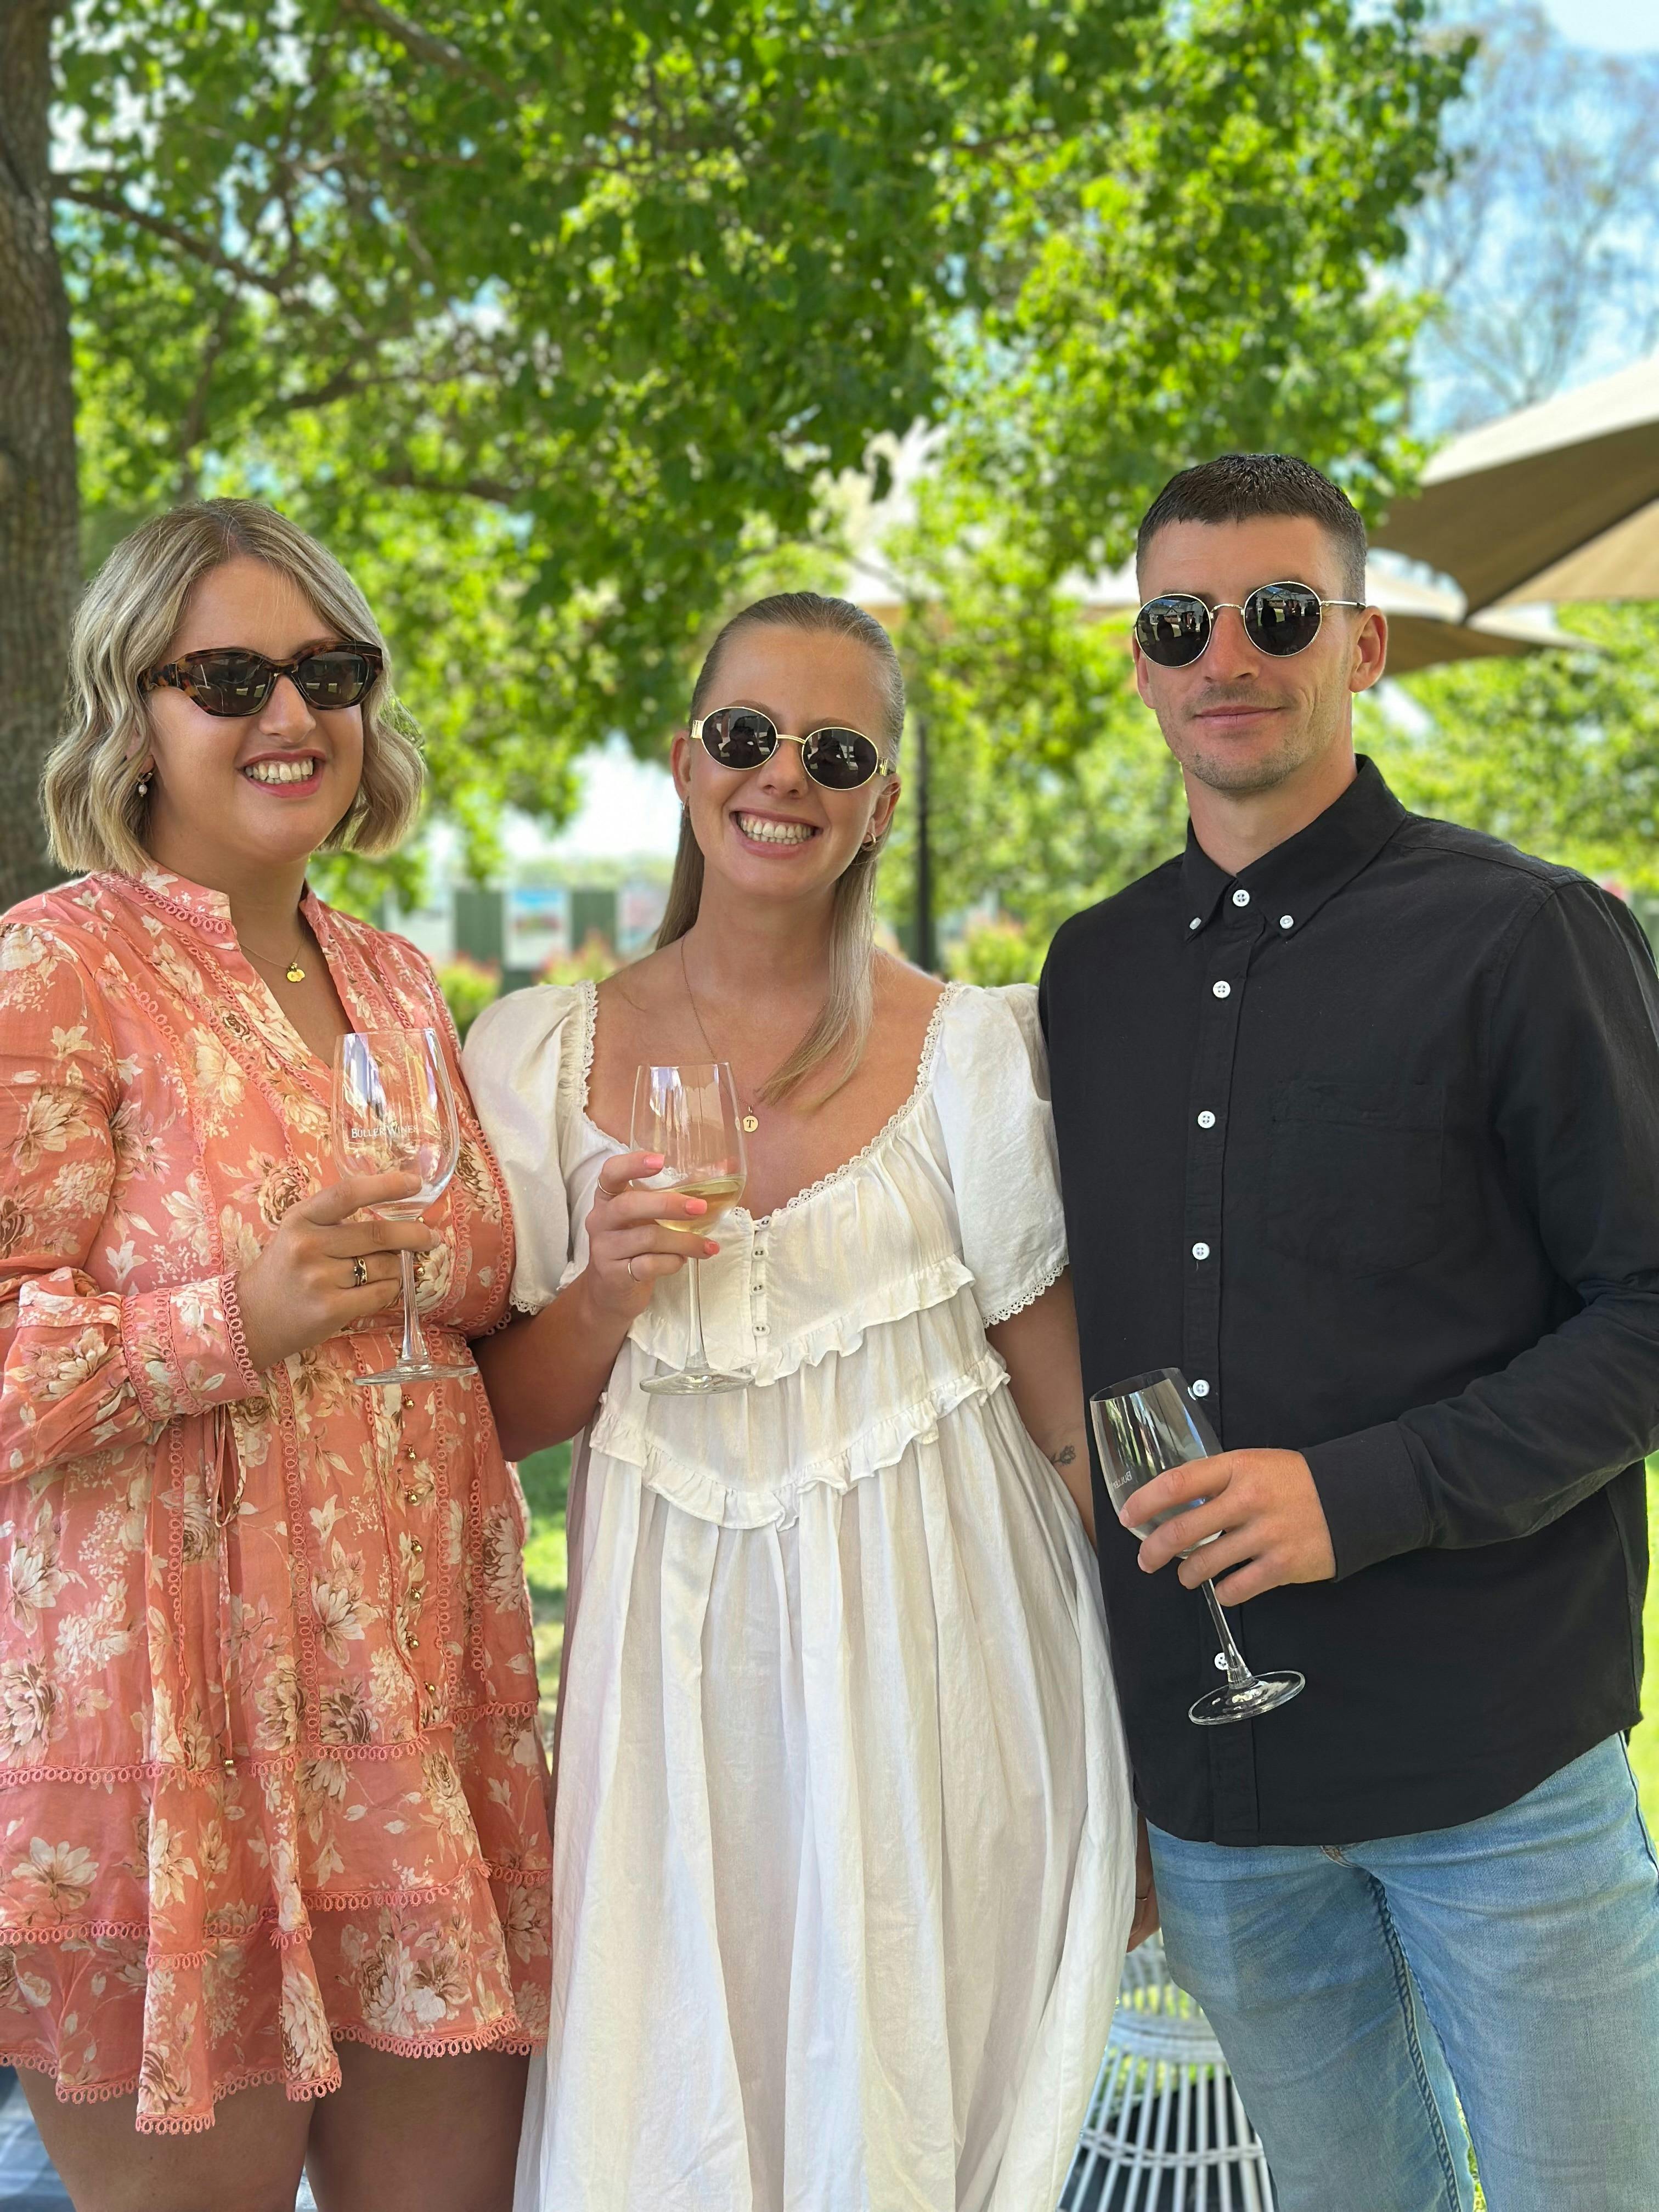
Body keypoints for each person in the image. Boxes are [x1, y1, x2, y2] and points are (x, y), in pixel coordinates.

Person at [1040, 450, 1659, 2212]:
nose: (1228, 653)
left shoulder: (1529, 934)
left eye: (1279, 613)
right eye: (1183, 621)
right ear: (1143, 661)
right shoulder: (1088, 976)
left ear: (1364, 643)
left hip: (1500, 1772)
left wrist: (1358, 1494)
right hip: (1223, 1799)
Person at [464, 591, 1134, 2211]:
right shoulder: (538, 1049)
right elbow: (496, 1421)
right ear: (688, 760)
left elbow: (1068, 1425)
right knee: (676, 2118)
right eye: (750, 736)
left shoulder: (972, 1053)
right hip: (674, 1716)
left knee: (911, 2127)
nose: (788, 777)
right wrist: (612, 1287)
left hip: (953, 1704)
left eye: (839, 752)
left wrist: (1147, 1740)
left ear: (883, 802)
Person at [0, 501, 551, 2212]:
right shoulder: (56, 970)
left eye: (330, 670)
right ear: (133, 714)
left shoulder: (395, 982)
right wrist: (230, 1321)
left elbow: (464, 1321)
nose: (291, 716)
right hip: (175, 1760)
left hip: (416, 1728)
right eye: (227, 675)